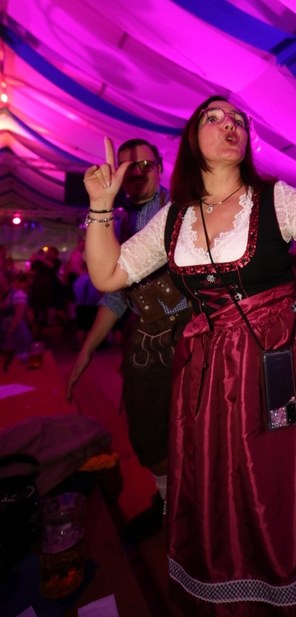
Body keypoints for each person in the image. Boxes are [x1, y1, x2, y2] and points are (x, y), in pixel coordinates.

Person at [82, 95, 296, 617]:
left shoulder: (276, 198)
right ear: (192, 139)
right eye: (213, 118)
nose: (229, 124)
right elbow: (108, 275)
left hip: (288, 360)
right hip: (214, 376)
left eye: (237, 119)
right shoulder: (173, 218)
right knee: (235, 490)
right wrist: (101, 206)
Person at [66, 138, 192, 543]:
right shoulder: (117, 220)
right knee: (148, 431)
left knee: (200, 429)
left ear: (161, 167)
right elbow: (116, 295)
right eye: (127, 167)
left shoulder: (187, 206)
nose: (136, 173)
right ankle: (169, 502)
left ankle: (194, 512)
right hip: (148, 334)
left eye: (145, 165)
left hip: (193, 329)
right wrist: (86, 351)